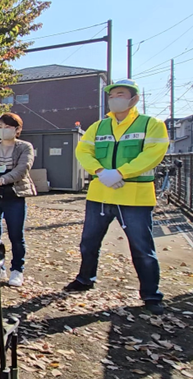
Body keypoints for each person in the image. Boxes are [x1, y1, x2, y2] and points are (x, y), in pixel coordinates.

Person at [64, 79, 169, 315]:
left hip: (135, 197)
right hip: (100, 194)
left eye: (120, 94)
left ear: (134, 99)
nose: (114, 99)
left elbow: (153, 153)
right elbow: (83, 151)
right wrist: (101, 171)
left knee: (142, 247)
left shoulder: (150, 124)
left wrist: (121, 173)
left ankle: (151, 295)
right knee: (89, 242)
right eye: (111, 96)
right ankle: (84, 279)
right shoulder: (99, 126)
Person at [0, 112, 36, 287]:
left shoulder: (25, 147)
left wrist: (1, 181)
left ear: (17, 129)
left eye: (8, 127)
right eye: (0, 127)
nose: (3, 130)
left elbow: (22, 169)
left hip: (14, 194)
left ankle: (17, 269)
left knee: (16, 234)